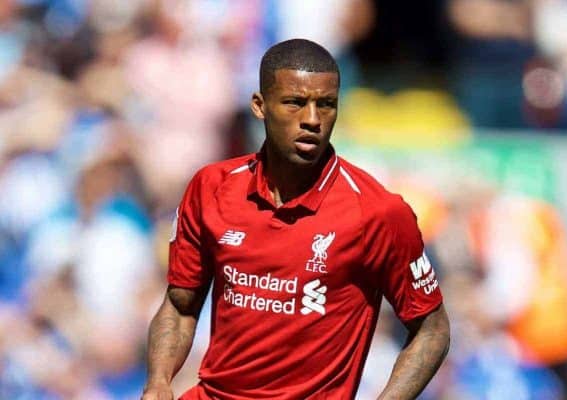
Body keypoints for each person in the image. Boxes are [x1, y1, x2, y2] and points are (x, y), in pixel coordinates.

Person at [142, 38, 450, 400]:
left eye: (327, 105)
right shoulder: (211, 188)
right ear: (260, 106)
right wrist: (159, 382)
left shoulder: (378, 211)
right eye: (295, 103)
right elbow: (180, 306)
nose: (312, 120)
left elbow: (432, 328)